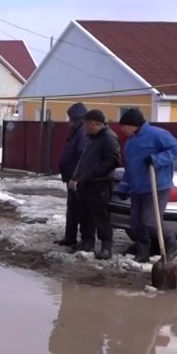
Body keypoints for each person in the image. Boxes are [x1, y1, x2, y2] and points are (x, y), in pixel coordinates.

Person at [116, 107, 177, 263]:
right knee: (136, 223)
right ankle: (143, 250)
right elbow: (130, 167)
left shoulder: (157, 134)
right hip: (137, 187)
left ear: (133, 125)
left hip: (157, 185)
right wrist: (124, 186)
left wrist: (156, 159)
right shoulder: (130, 143)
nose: (122, 130)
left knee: (150, 220)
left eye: (124, 126)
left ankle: (171, 245)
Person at [68, 109, 121, 259]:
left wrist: (94, 173)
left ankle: (106, 247)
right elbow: (84, 159)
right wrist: (76, 176)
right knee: (86, 215)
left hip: (100, 183)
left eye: (85, 124)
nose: (84, 127)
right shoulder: (91, 137)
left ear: (92, 123)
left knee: (100, 216)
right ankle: (87, 242)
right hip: (85, 183)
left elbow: (112, 160)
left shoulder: (108, 138)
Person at [55, 102, 88, 247]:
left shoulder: (82, 133)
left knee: (80, 209)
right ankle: (70, 237)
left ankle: (84, 240)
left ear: (77, 118)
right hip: (71, 177)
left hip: (77, 178)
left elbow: (82, 156)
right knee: (72, 209)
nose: (69, 122)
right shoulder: (76, 131)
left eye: (70, 118)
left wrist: (76, 176)